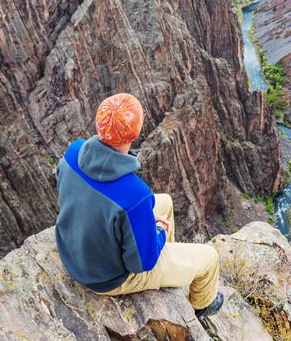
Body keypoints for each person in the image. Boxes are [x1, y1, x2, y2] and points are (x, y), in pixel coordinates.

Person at [55, 93, 224, 317]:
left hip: (74, 250)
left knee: (164, 202)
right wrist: (158, 234)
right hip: (107, 278)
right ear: (135, 133)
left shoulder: (73, 152)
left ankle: (168, 260)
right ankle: (202, 305)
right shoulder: (135, 195)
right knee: (210, 257)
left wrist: (140, 226)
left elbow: (87, 200)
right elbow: (142, 263)